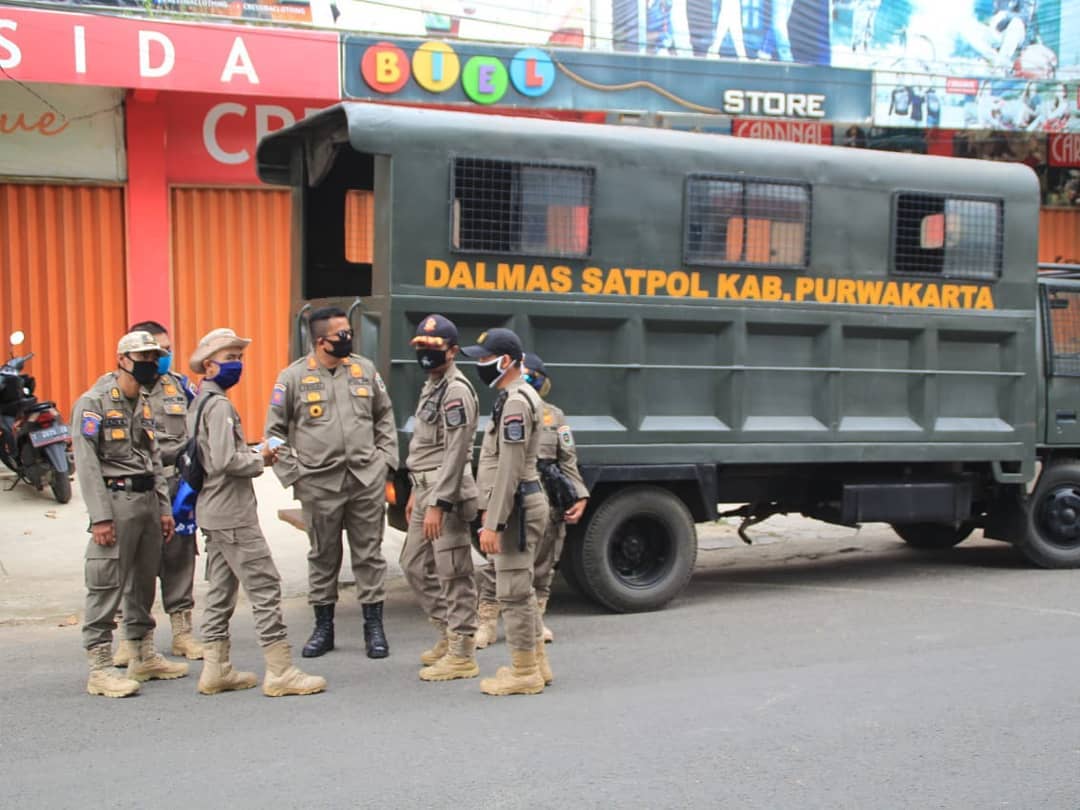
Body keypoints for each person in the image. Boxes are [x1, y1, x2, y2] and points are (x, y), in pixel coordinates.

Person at [188, 328, 326, 697]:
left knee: (220, 590)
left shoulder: (202, 400)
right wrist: (260, 458)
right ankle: (280, 670)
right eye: (230, 358)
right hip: (232, 513)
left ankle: (215, 669)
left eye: (239, 358)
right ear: (208, 365)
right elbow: (223, 460)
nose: (238, 365)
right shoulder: (217, 405)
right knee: (264, 586)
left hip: (213, 512)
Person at [266, 307, 398, 660]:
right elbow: (274, 434)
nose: (349, 339)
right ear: (321, 341)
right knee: (323, 556)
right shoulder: (292, 377)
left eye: (349, 333)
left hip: (365, 479)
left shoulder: (364, 370)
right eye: (342, 334)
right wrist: (294, 475)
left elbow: (384, 415)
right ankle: (323, 628)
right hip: (319, 484)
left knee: (369, 555)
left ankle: (374, 628)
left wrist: (385, 460)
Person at [73, 330, 185, 698]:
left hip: (148, 504)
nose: (151, 364)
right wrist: (100, 517)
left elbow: (153, 459)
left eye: (154, 358)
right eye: (143, 358)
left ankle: (143, 654)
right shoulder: (95, 403)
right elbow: (87, 466)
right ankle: (100, 668)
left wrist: (164, 510)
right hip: (116, 503)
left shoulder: (145, 401)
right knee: (106, 583)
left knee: (143, 581)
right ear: (122, 359)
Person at [475, 352, 588, 648]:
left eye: (533, 374)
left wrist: (579, 495)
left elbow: (568, 460)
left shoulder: (554, 416)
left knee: (543, 563)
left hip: (548, 500)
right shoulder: (507, 408)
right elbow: (492, 460)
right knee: (496, 565)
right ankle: (486, 621)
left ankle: (536, 621)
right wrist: (487, 505)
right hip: (514, 498)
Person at [460, 328, 550, 696]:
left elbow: (510, 468)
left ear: (507, 361)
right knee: (522, 589)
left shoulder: (515, 402)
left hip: (514, 507)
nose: (480, 365)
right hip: (520, 502)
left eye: (485, 358)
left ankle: (523, 671)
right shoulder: (513, 396)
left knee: (512, 591)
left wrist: (493, 522)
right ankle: (537, 663)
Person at [110, 320, 202, 668]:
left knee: (180, 558)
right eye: (151, 351)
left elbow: (196, 432)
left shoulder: (180, 387)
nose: (159, 357)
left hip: (176, 483)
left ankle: (182, 633)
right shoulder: (119, 388)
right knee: (134, 565)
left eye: (164, 350)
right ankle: (132, 639)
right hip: (137, 485)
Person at [400, 314, 482, 681]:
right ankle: (447, 635)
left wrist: (438, 502)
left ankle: (463, 652)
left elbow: (455, 451)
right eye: (421, 348)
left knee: (453, 572)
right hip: (425, 488)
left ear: (452, 351)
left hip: (445, 493)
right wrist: (418, 494)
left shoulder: (456, 391)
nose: (425, 355)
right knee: (414, 564)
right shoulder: (432, 384)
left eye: (433, 349)